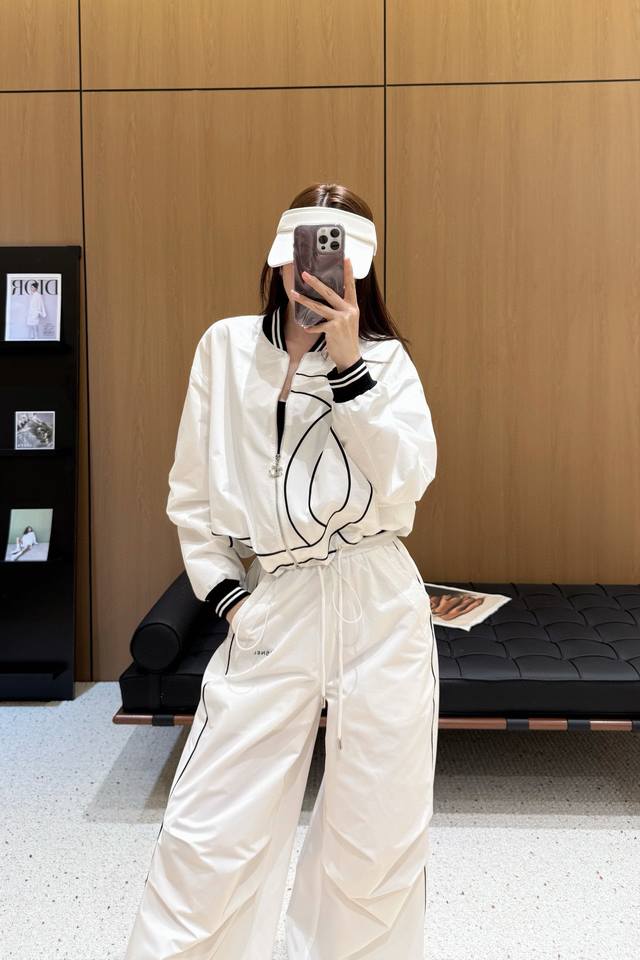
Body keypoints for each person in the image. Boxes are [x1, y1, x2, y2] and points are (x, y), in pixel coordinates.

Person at [124, 183, 439, 960]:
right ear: (279, 260)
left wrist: (350, 365)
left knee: (376, 842)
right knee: (210, 831)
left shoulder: (386, 362)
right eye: (304, 257)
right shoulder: (226, 349)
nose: (316, 275)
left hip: (381, 605)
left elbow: (406, 482)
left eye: (337, 263)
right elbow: (192, 496)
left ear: (360, 270)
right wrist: (231, 600)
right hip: (278, 600)